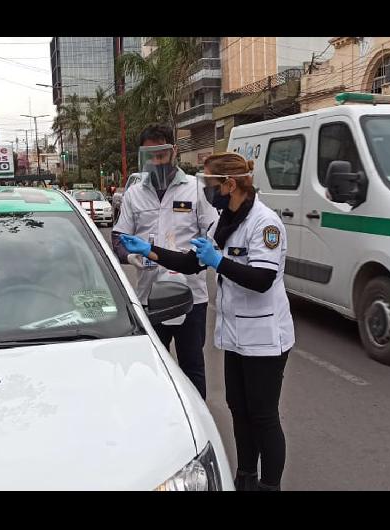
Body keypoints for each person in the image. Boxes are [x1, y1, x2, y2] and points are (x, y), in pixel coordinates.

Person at [120, 152, 294, 491]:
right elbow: (190, 263)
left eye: (211, 184)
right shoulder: (224, 221)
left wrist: (219, 262)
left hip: (265, 337)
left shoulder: (265, 223)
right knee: (239, 411)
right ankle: (246, 477)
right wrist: (150, 249)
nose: (207, 190)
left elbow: (262, 279)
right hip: (236, 335)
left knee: (263, 416)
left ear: (229, 184)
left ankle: (269, 485)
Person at [111, 124, 217, 399]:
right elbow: (119, 236)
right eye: (151, 156)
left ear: (174, 152)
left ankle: (196, 423)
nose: (157, 162)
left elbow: (214, 235)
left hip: (191, 296)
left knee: (192, 365)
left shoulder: (196, 189)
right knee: (152, 365)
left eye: (162, 154)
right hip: (148, 295)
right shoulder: (134, 194)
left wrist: (201, 257)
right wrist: (131, 256)